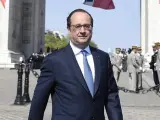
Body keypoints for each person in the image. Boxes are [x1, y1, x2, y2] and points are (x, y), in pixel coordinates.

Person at [28, 8, 123, 120]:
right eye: (77, 26)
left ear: (92, 28)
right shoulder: (54, 60)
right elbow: (39, 101)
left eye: (87, 26)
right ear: (69, 28)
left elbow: (111, 96)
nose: (82, 30)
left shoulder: (103, 58)